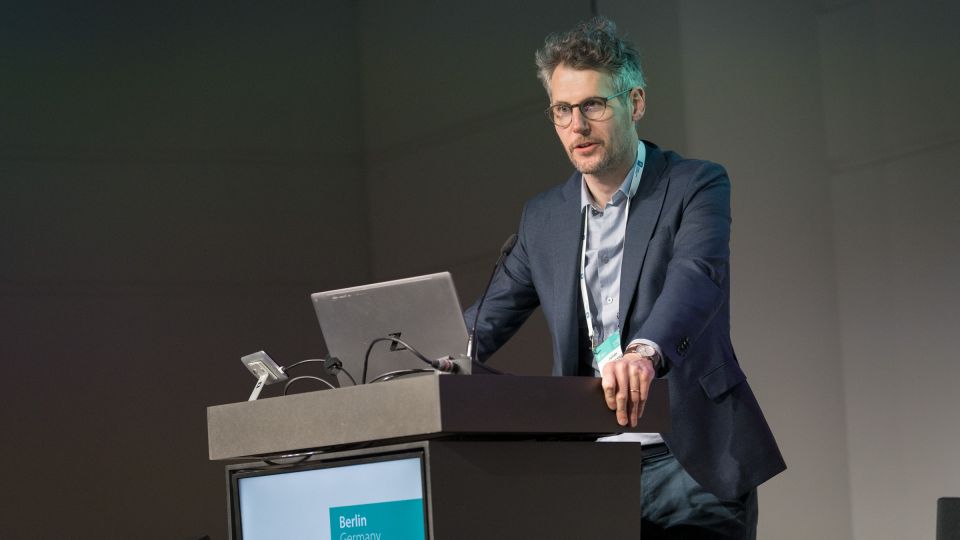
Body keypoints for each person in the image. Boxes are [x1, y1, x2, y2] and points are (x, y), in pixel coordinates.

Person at [463, 17, 785, 539]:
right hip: (591, 468)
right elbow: (487, 318)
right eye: (562, 110)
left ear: (635, 103)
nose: (577, 126)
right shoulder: (543, 218)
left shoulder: (694, 184)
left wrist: (644, 353)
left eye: (593, 105)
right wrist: (423, 358)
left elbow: (696, 276)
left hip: (691, 459)